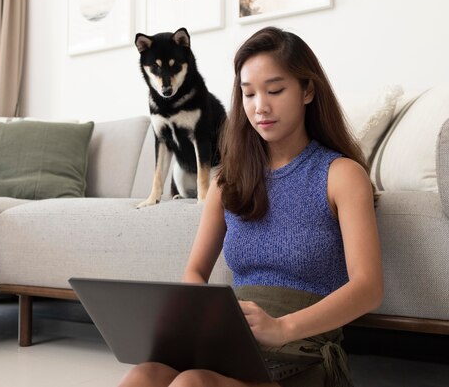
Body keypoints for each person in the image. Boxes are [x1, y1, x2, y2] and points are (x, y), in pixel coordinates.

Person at [118, 27, 383, 387]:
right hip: (234, 342)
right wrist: (197, 322)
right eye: (248, 93)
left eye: (275, 90)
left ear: (307, 90)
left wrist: (282, 327)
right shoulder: (229, 181)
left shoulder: (341, 175)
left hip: (300, 349)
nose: (261, 106)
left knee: (191, 384)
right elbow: (195, 271)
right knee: (144, 374)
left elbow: (368, 287)